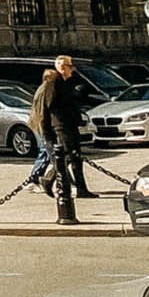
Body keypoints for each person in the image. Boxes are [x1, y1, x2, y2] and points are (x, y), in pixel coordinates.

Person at [49, 56, 92, 197]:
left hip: (71, 123)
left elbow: (77, 99)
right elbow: (52, 105)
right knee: (69, 154)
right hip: (62, 124)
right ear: (63, 67)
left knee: (76, 157)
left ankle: (82, 189)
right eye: (70, 66)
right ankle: (48, 179)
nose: (72, 68)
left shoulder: (69, 82)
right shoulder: (55, 82)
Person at [26, 69, 60, 192]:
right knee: (49, 152)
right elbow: (42, 111)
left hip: (43, 126)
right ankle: (35, 179)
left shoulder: (44, 89)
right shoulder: (45, 90)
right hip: (43, 126)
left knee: (46, 152)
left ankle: (37, 178)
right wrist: (46, 127)